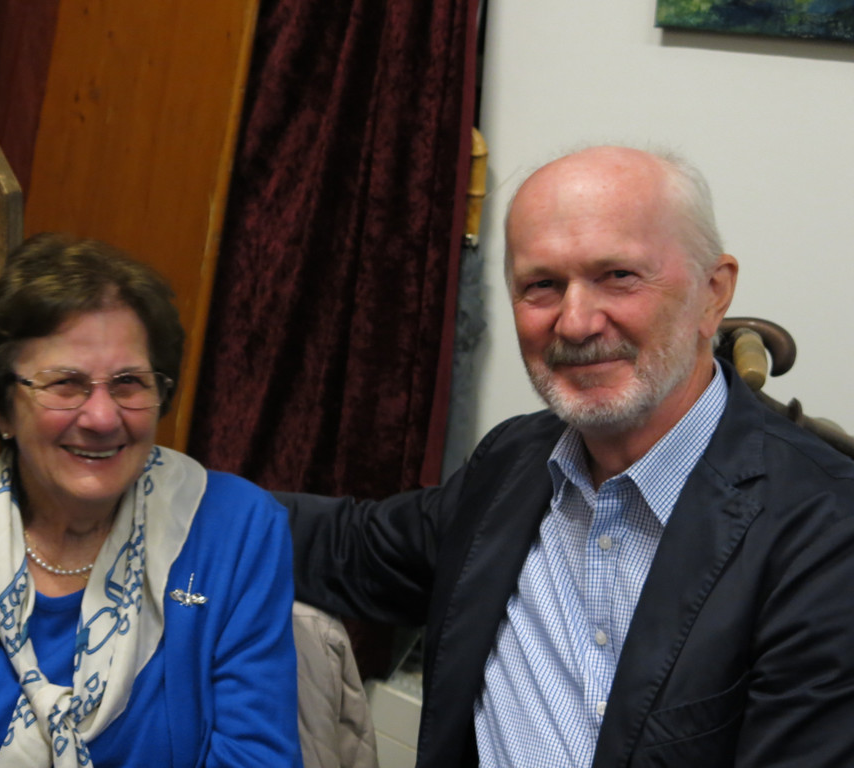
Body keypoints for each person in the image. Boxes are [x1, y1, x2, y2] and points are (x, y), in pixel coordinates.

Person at [282, 146, 854, 767]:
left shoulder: (827, 538)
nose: (576, 323)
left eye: (619, 275)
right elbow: (356, 548)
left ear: (712, 293)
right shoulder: (515, 460)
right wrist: (197, 488)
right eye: (542, 286)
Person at [0, 234, 301, 767]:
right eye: (65, 384)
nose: (102, 417)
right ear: (2, 410)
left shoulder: (239, 531)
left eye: (128, 382)